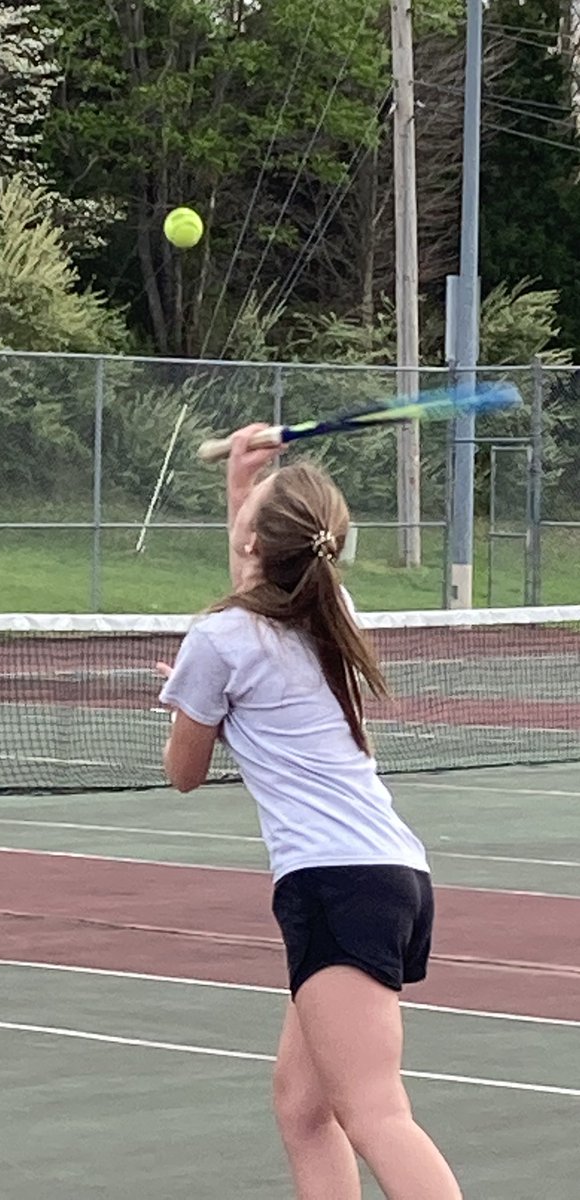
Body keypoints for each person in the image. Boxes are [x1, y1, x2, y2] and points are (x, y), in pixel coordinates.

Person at [157, 425, 461, 1200]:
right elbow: (258, 581)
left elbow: (183, 773)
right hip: (388, 874)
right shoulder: (333, 615)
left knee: (375, 1113)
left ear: (258, 540)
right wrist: (241, 489)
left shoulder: (219, 641)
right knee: (302, 1107)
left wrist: (196, 714)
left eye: (252, 517)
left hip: (338, 882)